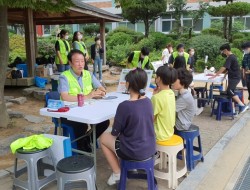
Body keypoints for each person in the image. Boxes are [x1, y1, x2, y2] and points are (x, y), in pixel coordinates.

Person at [100, 68, 156, 186]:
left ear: (128, 84)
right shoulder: (148, 101)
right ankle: (129, 167)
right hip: (150, 147)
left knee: (103, 138)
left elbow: (115, 132)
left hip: (133, 150)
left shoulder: (124, 106)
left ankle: (117, 172)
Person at [58, 49, 109, 152]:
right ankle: (82, 148)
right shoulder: (64, 76)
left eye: (82, 61)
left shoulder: (88, 74)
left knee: (104, 122)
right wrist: (88, 96)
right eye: (77, 61)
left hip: (87, 109)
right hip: (69, 112)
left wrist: (101, 92)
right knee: (82, 125)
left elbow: (101, 88)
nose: (80, 64)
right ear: (70, 63)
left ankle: (87, 140)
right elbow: (65, 97)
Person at [209, 43, 248, 114]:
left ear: (226, 50)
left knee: (230, 91)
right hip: (233, 76)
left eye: (222, 51)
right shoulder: (231, 57)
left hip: (235, 77)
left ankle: (242, 106)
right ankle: (232, 110)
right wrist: (225, 74)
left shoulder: (230, 57)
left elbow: (224, 67)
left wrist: (215, 75)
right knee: (229, 92)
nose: (222, 53)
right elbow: (229, 67)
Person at [152, 66, 178, 141]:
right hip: (169, 132)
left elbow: (151, 119)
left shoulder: (156, 98)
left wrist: (154, 95)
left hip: (158, 134)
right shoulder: (171, 93)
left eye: (156, 76)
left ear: (159, 78)